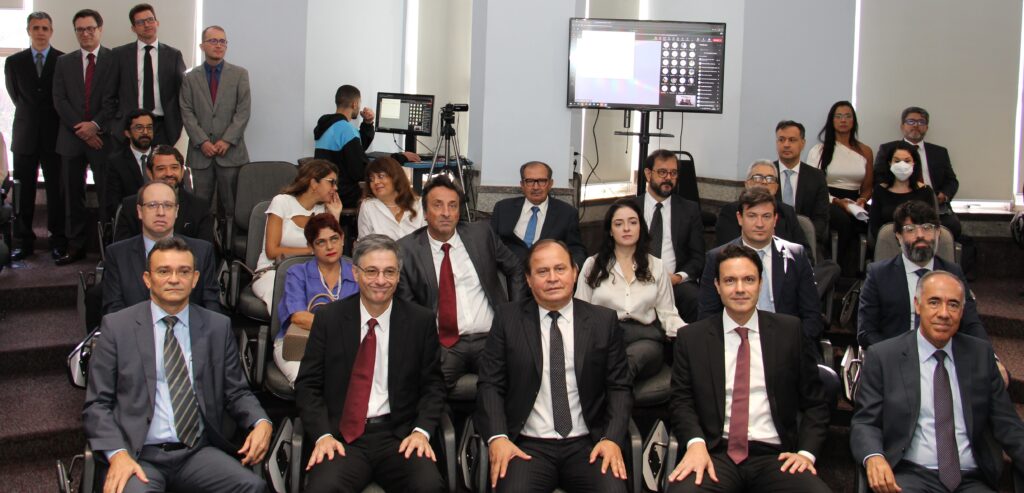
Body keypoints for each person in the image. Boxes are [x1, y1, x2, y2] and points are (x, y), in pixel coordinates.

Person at [84, 237, 270, 493]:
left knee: (252, 487)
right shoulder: (117, 327)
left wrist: (261, 421)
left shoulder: (217, 326)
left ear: (194, 279)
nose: (174, 279)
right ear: (148, 279)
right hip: (139, 455)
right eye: (164, 271)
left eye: (183, 272)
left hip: (196, 452)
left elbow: (236, 391)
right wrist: (117, 454)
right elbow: (97, 405)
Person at [665, 244, 830, 493]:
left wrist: (806, 454)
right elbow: (681, 401)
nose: (740, 289)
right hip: (715, 453)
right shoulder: (692, 337)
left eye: (748, 280)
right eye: (730, 280)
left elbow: (815, 402)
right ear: (717, 286)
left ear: (760, 284)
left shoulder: (789, 331)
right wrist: (695, 443)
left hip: (776, 456)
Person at [475, 239, 632, 493]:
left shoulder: (603, 321)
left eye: (560, 269)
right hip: (527, 446)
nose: (552, 278)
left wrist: (612, 439)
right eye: (542, 271)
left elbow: (620, 387)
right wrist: (498, 438)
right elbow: (490, 384)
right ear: (528, 279)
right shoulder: (507, 319)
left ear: (575, 272)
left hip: (589, 445)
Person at [295, 234, 447, 493]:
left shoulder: (420, 321)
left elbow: (433, 385)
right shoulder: (329, 319)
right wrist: (323, 435)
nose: (380, 280)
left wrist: (421, 431)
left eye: (389, 272)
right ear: (355, 273)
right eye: (371, 271)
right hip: (343, 437)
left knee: (429, 486)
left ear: (399, 276)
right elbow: (308, 385)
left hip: (400, 436)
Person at [851, 270, 1024, 493]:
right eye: (934, 302)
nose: (944, 313)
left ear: (962, 311)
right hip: (911, 475)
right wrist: (873, 456)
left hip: (971, 479)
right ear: (918, 305)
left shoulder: (980, 355)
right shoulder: (884, 356)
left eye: (953, 305)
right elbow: (865, 422)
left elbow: (1008, 424)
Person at [397, 175, 528, 390]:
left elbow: (516, 269)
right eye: (438, 205)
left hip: (490, 337)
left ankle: (486, 423)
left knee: (507, 387)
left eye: (452, 205)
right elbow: (407, 306)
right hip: (442, 344)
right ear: (425, 212)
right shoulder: (406, 250)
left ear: (459, 211)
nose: (446, 213)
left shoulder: (481, 234)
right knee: (427, 391)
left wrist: (514, 316)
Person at [575, 199, 683, 382]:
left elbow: (668, 313)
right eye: (619, 224)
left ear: (640, 227)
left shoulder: (656, 266)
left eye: (633, 222)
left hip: (645, 340)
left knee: (628, 363)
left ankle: (606, 403)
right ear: (610, 230)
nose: (627, 228)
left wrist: (688, 335)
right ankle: (618, 408)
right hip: (604, 338)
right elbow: (580, 311)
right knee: (610, 361)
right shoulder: (593, 265)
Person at [699, 188, 823, 341]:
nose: (759, 224)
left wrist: (793, 346)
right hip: (735, 342)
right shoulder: (717, 258)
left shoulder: (796, 255)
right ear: (740, 218)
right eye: (752, 216)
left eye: (766, 216)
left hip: (787, 343)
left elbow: (812, 315)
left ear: (775, 219)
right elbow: (707, 316)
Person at [858, 200, 985, 347]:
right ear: (899, 236)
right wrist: (893, 356)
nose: (920, 235)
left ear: (938, 233)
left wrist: (990, 358)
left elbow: (972, 325)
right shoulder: (878, 275)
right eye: (910, 229)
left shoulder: (952, 273)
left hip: (942, 356)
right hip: (896, 360)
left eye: (927, 228)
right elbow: (866, 332)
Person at [52, 9, 120, 265]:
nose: (86, 33)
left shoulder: (114, 59)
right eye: (80, 29)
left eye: (90, 28)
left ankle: (107, 249)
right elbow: (59, 100)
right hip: (70, 139)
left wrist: (95, 125)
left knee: (106, 197)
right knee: (72, 196)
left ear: (100, 29)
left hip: (103, 139)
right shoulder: (64, 62)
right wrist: (81, 129)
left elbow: (114, 100)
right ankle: (75, 246)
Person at [102, 181, 220, 316]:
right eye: (152, 205)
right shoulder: (117, 254)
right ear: (140, 211)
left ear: (176, 211)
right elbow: (113, 310)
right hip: (133, 333)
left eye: (168, 206)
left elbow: (211, 306)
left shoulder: (202, 251)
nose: (160, 212)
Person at [5, 11, 66, 261]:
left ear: (51, 31)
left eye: (44, 28)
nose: (40, 32)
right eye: (35, 27)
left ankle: (58, 241)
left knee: (56, 192)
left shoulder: (63, 60)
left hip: (54, 137)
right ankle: (24, 242)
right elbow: (16, 96)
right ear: (28, 31)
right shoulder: (14, 62)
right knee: (24, 192)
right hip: (25, 135)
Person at [275, 213, 359, 386]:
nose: (330, 246)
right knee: (310, 383)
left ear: (343, 239)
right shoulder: (297, 273)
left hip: (345, 348)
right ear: (311, 246)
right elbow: (298, 317)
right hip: (299, 346)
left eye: (334, 239)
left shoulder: (357, 274)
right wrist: (342, 326)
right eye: (321, 242)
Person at [251, 159, 343, 308]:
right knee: (287, 299)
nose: (336, 187)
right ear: (314, 183)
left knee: (325, 301)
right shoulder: (282, 202)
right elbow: (272, 251)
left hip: (309, 274)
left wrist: (335, 216)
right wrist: (313, 251)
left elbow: (332, 251)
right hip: (274, 272)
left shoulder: (322, 210)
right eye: (331, 182)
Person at [179, 25, 251, 217]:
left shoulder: (239, 75)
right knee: (201, 208)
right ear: (202, 46)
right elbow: (186, 111)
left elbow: (243, 111)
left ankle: (230, 246)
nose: (218, 45)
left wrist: (227, 140)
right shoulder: (190, 77)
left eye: (222, 41)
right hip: (200, 155)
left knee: (233, 207)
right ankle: (205, 246)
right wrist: (202, 141)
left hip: (231, 154)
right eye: (213, 41)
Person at [313, 84, 419, 208]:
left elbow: (356, 149)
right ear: (354, 104)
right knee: (390, 192)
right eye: (359, 103)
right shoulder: (347, 130)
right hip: (342, 194)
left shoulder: (326, 126)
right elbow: (361, 171)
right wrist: (400, 157)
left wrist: (367, 124)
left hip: (325, 191)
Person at [636, 149, 705, 322]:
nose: (668, 178)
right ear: (648, 174)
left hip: (675, 282)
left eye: (673, 173)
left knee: (696, 299)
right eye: (662, 172)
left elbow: (698, 257)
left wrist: (678, 277)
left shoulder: (689, 210)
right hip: (635, 280)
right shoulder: (629, 207)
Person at [807, 101, 874, 277]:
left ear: (854, 120)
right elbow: (812, 184)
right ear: (831, 121)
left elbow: (868, 187)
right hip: (828, 199)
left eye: (847, 116)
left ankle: (859, 271)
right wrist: (837, 202)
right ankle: (837, 270)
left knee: (870, 221)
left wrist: (862, 200)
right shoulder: (819, 150)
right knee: (842, 221)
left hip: (855, 201)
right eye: (838, 116)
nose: (843, 120)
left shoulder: (865, 151)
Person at [874, 106, 962, 238]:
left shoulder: (939, 152)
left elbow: (951, 181)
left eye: (921, 122)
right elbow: (879, 177)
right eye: (911, 121)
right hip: (896, 202)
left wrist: (943, 195)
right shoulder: (888, 149)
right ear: (902, 126)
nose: (916, 126)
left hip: (932, 204)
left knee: (952, 228)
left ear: (926, 127)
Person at [112, 3, 185, 147]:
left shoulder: (173, 55)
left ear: (157, 22)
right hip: (130, 126)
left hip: (163, 126)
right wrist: (114, 125)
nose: (146, 25)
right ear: (133, 28)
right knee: (131, 169)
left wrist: (177, 123)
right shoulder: (119, 55)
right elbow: (109, 93)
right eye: (140, 22)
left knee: (160, 168)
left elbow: (182, 92)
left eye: (150, 20)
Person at [490, 160, 587, 268]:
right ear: (522, 185)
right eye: (530, 181)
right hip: (507, 272)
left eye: (541, 181)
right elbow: (489, 243)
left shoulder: (567, 213)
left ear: (550, 184)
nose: (536, 187)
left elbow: (577, 249)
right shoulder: (503, 208)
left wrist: (572, 269)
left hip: (546, 274)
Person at [113, 145, 214, 244]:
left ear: (182, 171)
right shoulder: (130, 206)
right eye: (161, 169)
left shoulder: (200, 207)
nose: (169, 173)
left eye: (174, 168)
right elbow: (121, 252)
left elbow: (205, 253)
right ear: (149, 172)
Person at [714, 160, 809, 250]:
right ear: (747, 184)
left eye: (770, 178)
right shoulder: (730, 211)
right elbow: (727, 251)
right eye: (758, 177)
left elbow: (804, 253)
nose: (764, 182)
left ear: (776, 188)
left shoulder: (787, 211)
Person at [773, 120, 830, 249]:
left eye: (792, 140)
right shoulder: (767, 174)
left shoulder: (817, 177)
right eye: (781, 140)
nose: (786, 145)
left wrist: (803, 239)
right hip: (771, 242)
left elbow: (821, 218)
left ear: (802, 143)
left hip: (806, 243)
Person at [868, 141, 937, 242]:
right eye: (897, 161)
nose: (902, 165)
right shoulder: (880, 190)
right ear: (889, 163)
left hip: (917, 243)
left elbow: (930, 225)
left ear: (914, 163)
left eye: (907, 161)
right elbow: (874, 226)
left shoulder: (925, 191)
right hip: (887, 244)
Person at [356, 156, 424, 240]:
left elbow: (428, 242)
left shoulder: (419, 204)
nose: (376, 182)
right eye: (371, 179)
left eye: (381, 176)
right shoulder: (368, 206)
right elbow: (363, 245)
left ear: (395, 177)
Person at [104, 108, 153, 222]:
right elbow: (114, 202)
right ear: (127, 133)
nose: (145, 132)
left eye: (149, 128)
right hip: (132, 220)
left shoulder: (163, 157)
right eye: (139, 128)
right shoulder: (116, 162)